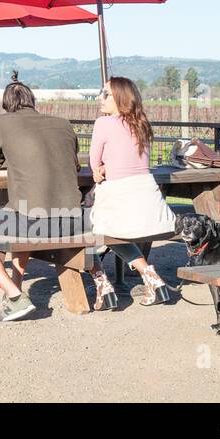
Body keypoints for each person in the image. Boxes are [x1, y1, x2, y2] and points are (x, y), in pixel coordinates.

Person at [0, 80, 85, 322]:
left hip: (32, 218)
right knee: (19, 217)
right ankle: (15, 285)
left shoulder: (4, 122)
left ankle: (15, 297)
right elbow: (74, 164)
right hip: (73, 219)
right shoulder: (62, 124)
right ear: (33, 101)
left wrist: (17, 164)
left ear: (6, 105)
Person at [86, 77, 176, 308]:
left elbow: (94, 165)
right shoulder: (142, 123)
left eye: (105, 93)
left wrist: (100, 169)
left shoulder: (103, 124)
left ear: (120, 97)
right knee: (110, 234)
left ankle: (102, 284)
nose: (100, 97)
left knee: (84, 230)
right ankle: (150, 276)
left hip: (119, 199)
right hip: (148, 202)